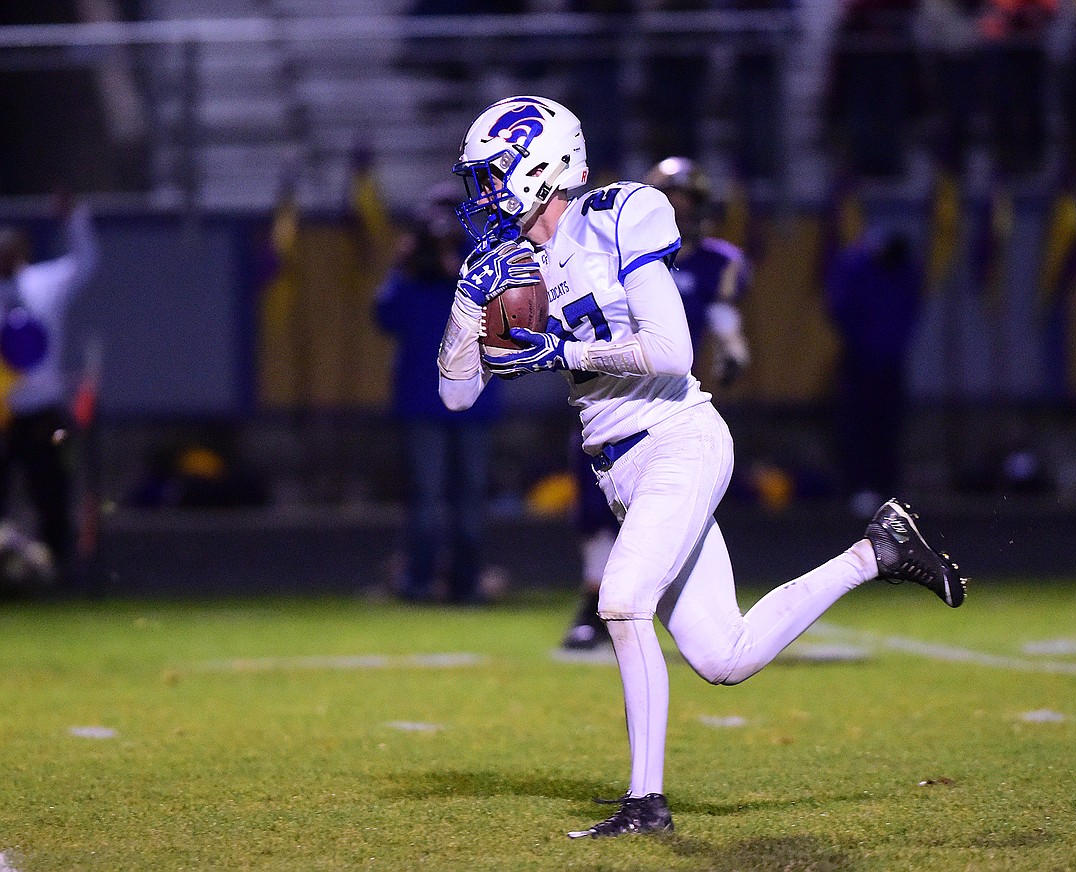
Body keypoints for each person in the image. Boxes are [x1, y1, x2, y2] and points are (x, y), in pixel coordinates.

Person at [439, 95, 966, 838]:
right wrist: (468, 301)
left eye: (494, 176)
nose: (484, 195)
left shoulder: (621, 214)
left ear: (542, 165)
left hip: (679, 438)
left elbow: (673, 350)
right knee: (723, 655)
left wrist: (564, 351)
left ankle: (646, 804)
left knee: (622, 601)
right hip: (619, 469)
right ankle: (876, 552)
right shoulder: (504, 262)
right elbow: (457, 394)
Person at [561, 156, 751, 652]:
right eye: (673, 198)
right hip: (606, 395)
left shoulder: (715, 261)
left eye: (688, 200)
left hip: (666, 404)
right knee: (595, 505)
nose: (680, 208)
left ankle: (663, 606)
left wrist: (733, 349)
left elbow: (722, 316)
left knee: (667, 508)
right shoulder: (609, 251)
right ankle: (595, 599)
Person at [373, 184, 503, 604]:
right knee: (426, 503)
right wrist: (404, 268)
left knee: (469, 505)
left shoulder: (480, 258)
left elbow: (501, 315)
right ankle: (419, 583)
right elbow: (386, 317)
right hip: (422, 400)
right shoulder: (414, 266)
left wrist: (459, 267)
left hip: (471, 401)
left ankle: (466, 586)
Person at [0, 191, 98, 587]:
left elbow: (86, 263)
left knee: (52, 493)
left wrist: (75, 220)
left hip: (42, 412)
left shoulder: (44, 282)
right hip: (3, 415)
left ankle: (60, 572)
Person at [825, 225, 923, 518]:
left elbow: (908, 312)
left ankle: (886, 488)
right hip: (860, 361)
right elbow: (839, 305)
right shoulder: (859, 267)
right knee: (858, 427)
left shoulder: (905, 271)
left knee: (887, 428)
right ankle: (859, 486)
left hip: (889, 363)